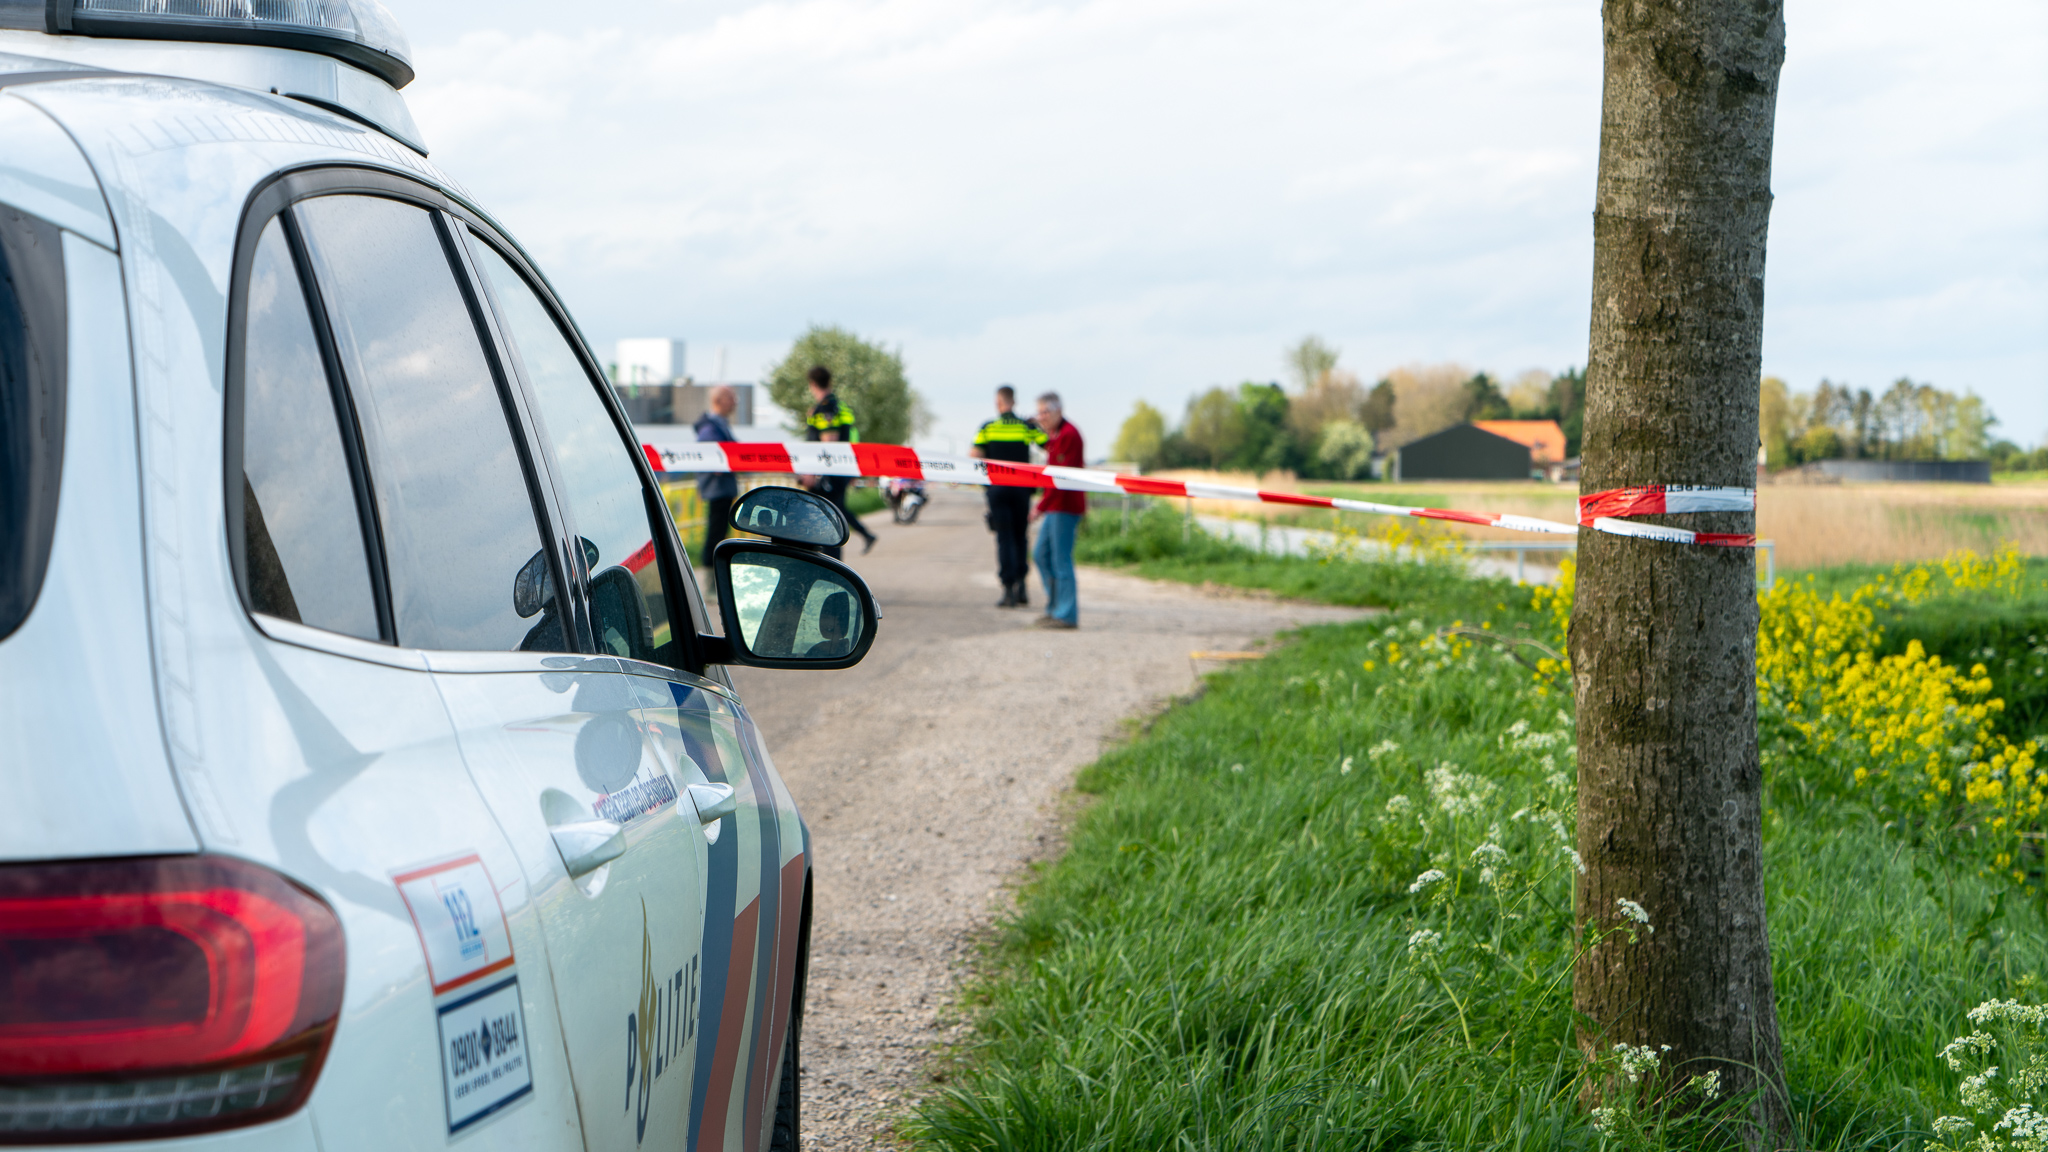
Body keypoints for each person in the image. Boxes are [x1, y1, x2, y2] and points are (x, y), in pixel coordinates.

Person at [970, 384, 1044, 607]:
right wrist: (1036, 423)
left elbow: (974, 456)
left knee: (1004, 539)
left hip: (998, 491)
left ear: (999, 403)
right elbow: (1048, 441)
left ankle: (1008, 590)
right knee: (1021, 537)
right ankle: (1022, 588)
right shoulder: (1026, 427)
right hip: (1022, 490)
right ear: (1014, 402)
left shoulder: (988, 428)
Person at [800, 365, 876, 558]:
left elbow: (828, 443)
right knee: (833, 518)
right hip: (840, 471)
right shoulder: (837, 405)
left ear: (812, 384)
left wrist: (811, 472)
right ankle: (835, 564)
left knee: (828, 523)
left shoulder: (826, 408)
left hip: (828, 475)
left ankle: (831, 571)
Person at [1029, 392, 1083, 629]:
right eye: (1038, 412)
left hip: (1065, 507)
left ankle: (1066, 614)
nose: (1040, 417)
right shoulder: (1055, 435)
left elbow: (1060, 479)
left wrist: (1039, 507)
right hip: (1055, 507)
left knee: (1061, 561)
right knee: (1041, 555)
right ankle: (1054, 606)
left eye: (1044, 412)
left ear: (1057, 411)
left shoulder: (1069, 435)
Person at [692, 384, 739, 562]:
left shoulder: (718, 426)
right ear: (719, 401)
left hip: (721, 488)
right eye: (731, 398)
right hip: (717, 488)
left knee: (718, 532)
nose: (735, 402)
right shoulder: (711, 429)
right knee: (715, 535)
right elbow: (716, 461)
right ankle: (710, 571)